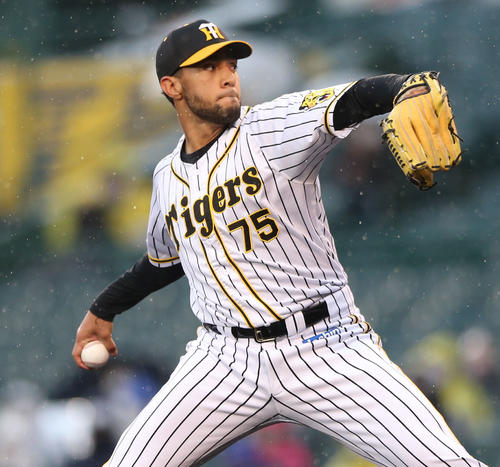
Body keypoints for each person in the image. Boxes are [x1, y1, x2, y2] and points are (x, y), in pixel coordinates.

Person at [72, 19, 487, 466]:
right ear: (171, 86)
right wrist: (103, 309)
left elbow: (350, 100)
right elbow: (166, 260)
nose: (227, 75)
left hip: (326, 345)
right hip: (223, 361)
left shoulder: (271, 127)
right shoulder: (165, 177)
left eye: (230, 64)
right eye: (208, 67)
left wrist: (402, 88)